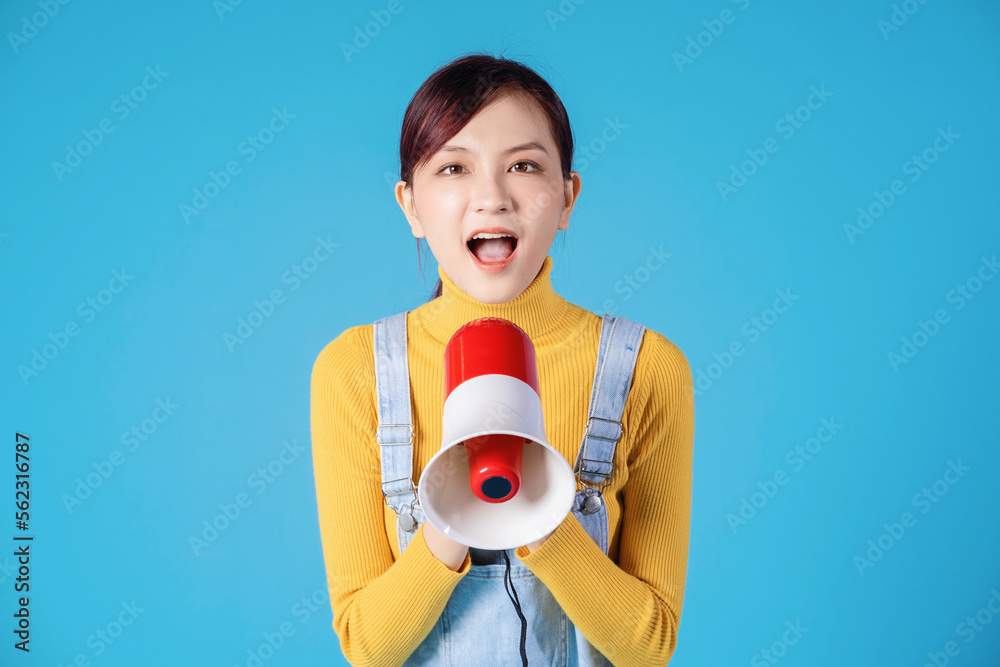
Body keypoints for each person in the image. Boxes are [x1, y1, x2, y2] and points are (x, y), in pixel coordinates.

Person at [310, 52, 695, 667]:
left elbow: (648, 645)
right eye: (454, 168)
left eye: (522, 165)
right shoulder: (355, 370)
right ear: (410, 205)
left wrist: (539, 511)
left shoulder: (644, 367)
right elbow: (366, 645)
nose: (491, 198)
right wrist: (455, 510)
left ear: (567, 196)